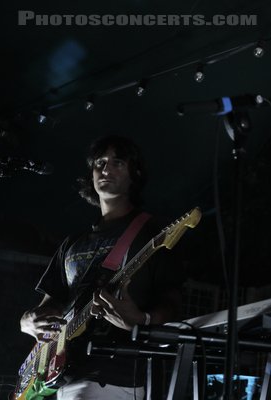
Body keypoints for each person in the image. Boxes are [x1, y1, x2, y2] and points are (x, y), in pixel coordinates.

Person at [19, 135, 185, 400]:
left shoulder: (153, 233)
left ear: (135, 173)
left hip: (113, 375)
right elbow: (51, 304)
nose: (106, 169)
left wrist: (142, 320)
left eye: (117, 162)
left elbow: (174, 304)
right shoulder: (72, 243)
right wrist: (28, 321)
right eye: (100, 163)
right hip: (63, 375)